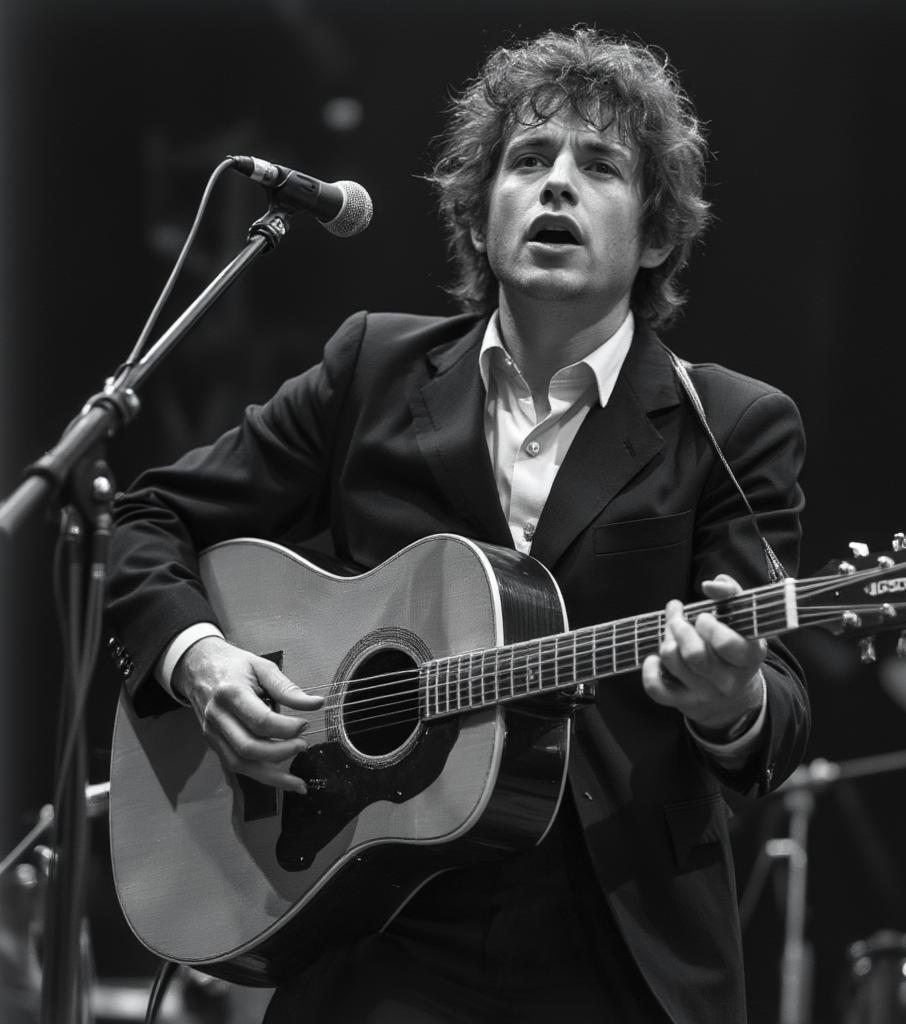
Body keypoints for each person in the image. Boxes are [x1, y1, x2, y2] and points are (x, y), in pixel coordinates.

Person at [106, 26, 809, 1024]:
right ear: (481, 217)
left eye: (598, 166)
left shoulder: (731, 424)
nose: (556, 185)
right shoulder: (372, 370)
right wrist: (202, 658)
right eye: (528, 161)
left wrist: (730, 698)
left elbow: (775, 705)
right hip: (372, 923)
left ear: (655, 235)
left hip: (606, 940)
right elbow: (148, 515)